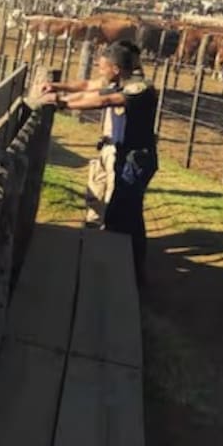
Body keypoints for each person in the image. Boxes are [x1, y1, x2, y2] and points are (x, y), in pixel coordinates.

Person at [40, 41, 159, 283]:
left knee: (121, 214)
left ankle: (127, 273)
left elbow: (103, 101)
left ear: (116, 68)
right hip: (127, 156)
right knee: (127, 214)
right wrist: (57, 87)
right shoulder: (119, 82)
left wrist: (61, 104)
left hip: (135, 159)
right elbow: (87, 87)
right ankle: (132, 271)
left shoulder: (139, 88)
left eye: (103, 67)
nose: (100, 71)